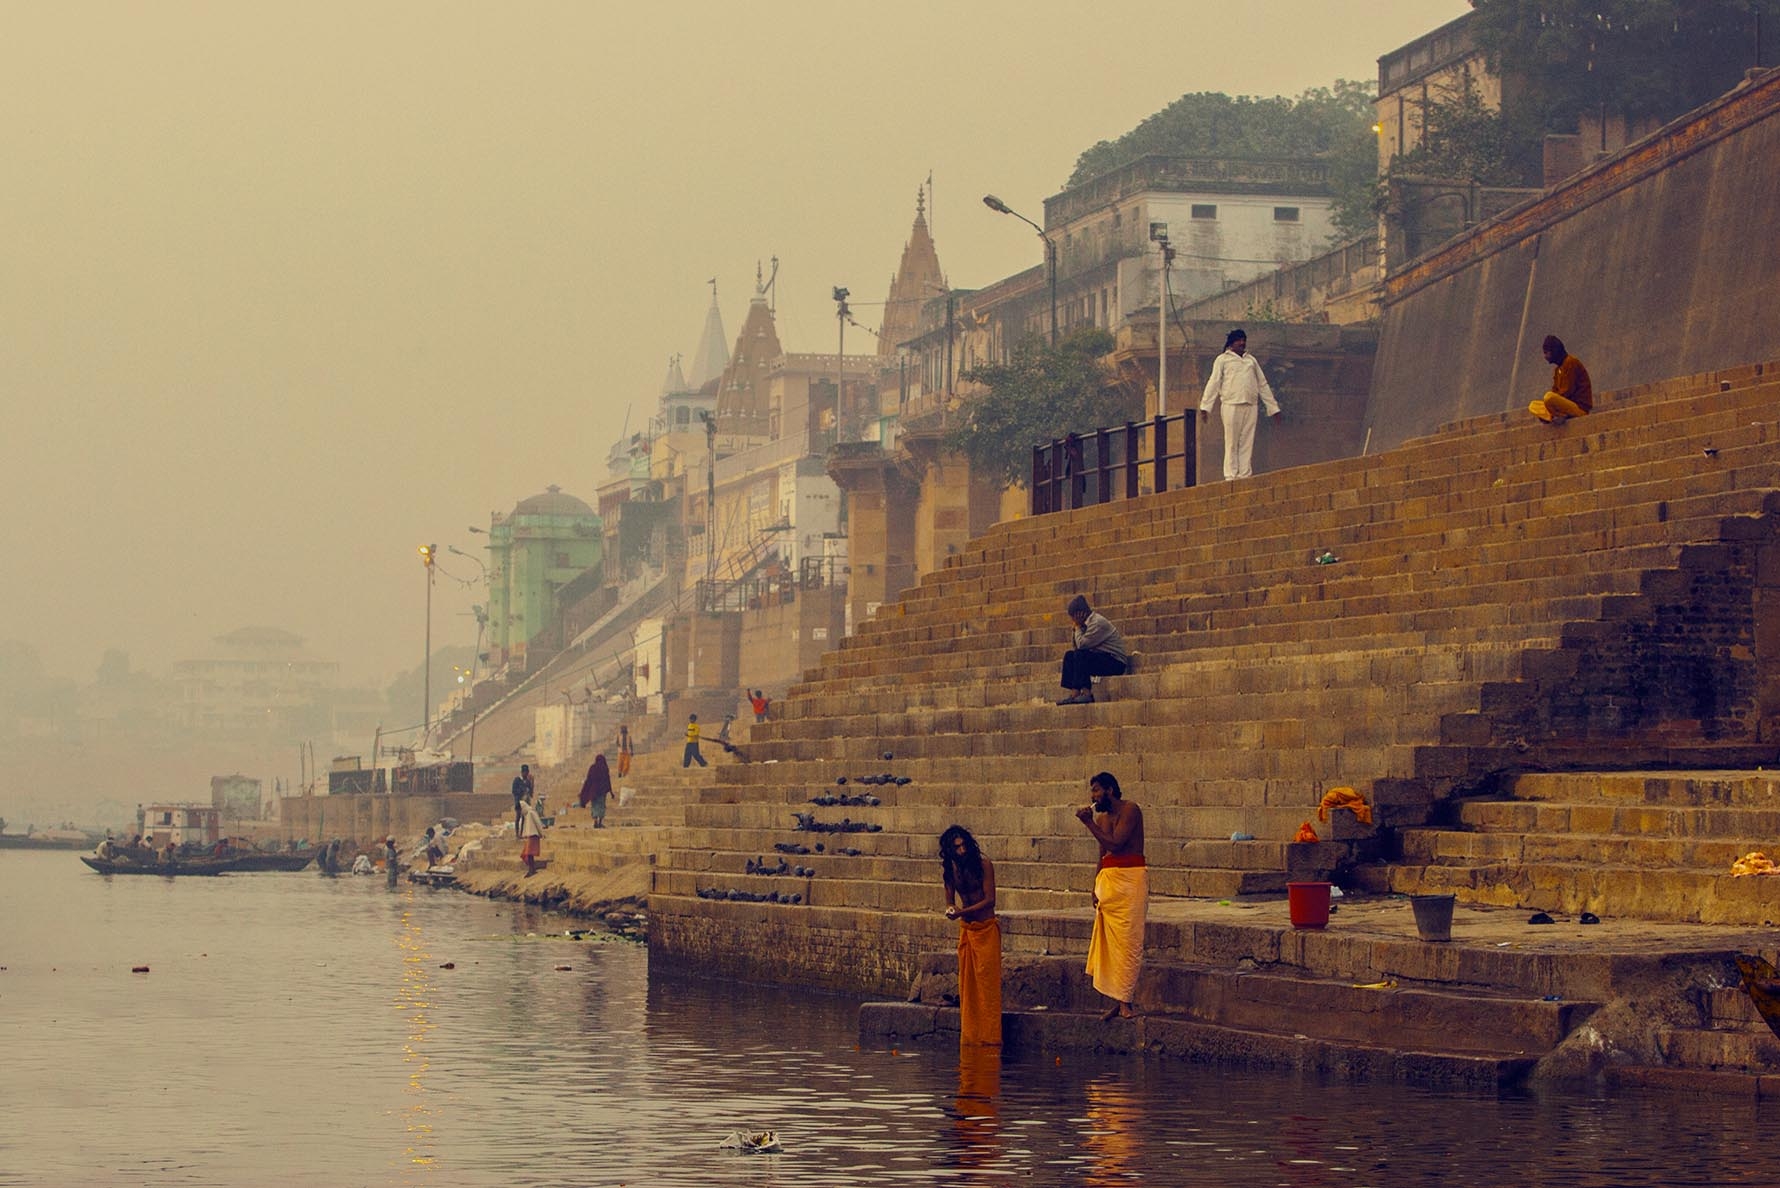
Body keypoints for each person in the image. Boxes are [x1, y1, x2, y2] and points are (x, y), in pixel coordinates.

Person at [1076, 772, 1146, 1020]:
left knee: (1129, 942)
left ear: (1110, 790)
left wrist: (1088, 823)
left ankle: (1125, 1001)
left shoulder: (1131, 810)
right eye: (1092, 792)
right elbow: (1103, 853)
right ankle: (1119, 1000)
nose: (1093, 796)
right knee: (1111, 945)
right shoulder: (1103, 819)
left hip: (1130, 881)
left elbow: (1116, 843)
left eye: (1096, 790)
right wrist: (1095, 885)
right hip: (1109, 882)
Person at [940, 825, 1001, 1047]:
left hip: (986, 929)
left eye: (964, 845)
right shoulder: (950, 870)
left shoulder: (984, 865)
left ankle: (991, 1038)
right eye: (957, 848)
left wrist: (961, 912)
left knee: (987, 987)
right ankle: (972, 1038)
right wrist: (950, 909)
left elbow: (990, 900)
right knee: (968, 989)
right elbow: (949, 900)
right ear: (949, 851)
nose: (962, 850)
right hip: (967, 931)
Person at [1199, 327, 1281, 481]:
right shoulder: (1222, 360)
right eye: (1239, 340)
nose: (1242, 343)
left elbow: (1262, 384)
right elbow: (1214, 382)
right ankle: (1231, 475)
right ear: (1232, 343)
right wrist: (1205, 407)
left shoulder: (1251, 360)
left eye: (1244, 340)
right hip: (1231, 404)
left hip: (1250, 405)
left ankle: (1244, 475)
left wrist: (1273, 408)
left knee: (1247, 442)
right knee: (1232, 441)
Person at [1058, 594, 1129, 706]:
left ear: (1079, 613)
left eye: (1073, 617)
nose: (1072, 620)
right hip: (1103, 658)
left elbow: (1081, 645)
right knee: (1069, 656)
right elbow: (1076, 647)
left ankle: (1087, 694)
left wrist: (1077, 627)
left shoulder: (1097, 623)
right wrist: (1077, 628)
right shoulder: (1084, 625)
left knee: (1081, 655)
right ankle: (1074, 693)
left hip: (1116, 662)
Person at [1529, 334, 1593, 423]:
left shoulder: (1571, 362)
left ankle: (1556, 415)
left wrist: (1552, 402)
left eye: (1546, 353)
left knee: (1549, 397)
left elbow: (1567, 391)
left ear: (1554, 351)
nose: (1545, 357)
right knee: (1533, 405)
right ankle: (1557, 415)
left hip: (1579, 408)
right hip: (1564, 406)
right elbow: (1555, 391)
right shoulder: (1558, 370)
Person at [579, 754, 612, 828]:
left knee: (594, 806)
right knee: (601, 806)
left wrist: (586, 790)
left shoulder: (592, 768)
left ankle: (595, 821)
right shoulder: (604, 768)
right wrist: (610, 791)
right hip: (602, 791)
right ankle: (599, 822)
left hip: (594, 791)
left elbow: (588, 780)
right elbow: (608, 780)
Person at [518, 794, 545, 876]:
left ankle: (531, 870)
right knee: (527, 854)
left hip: (533, 836)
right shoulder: (526, 815)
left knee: (529, 853)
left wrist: (542, 834)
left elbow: (538, 823)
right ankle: (531, 869)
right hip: (529, 836)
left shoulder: (531, 813)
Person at [511, 764, 533, 834]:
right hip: (518, 802)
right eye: (525, 773)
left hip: (526, 803)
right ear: (522, 772)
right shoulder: (517, 780)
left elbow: (531, 793)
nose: (526, 775)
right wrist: (522, 791)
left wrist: (532, 783)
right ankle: (517, 834)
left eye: (527, 773)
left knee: (524, 818)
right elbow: (514, 791)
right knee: (518, 817)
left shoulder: (528, 782)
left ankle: (521, 833)